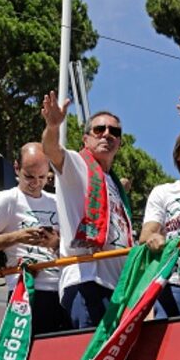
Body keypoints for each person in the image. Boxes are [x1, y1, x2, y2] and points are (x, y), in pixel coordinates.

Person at [41, 92, 133, 329]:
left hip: (118, 287)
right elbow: (52, 150)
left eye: (114, 132)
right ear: (86, 139)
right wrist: (52, 127)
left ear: (120, 143)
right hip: (87, 280)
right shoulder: (78, 165)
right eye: (99, 129)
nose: (107, 134)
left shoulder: (113, 183)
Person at [0, 143, 66, 335]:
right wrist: (17, 237)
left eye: (42, 177)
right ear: (16, 168)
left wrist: (54, 242)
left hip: (61, 289)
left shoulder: (56, 202)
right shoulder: (8, 199)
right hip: (27, 292)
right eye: (29, 176)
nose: (36, 183)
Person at [140, 126, 180, 318]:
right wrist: (153, 238)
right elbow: (146, 235)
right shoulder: (163, 192)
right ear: (178, 156)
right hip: (176, 284)